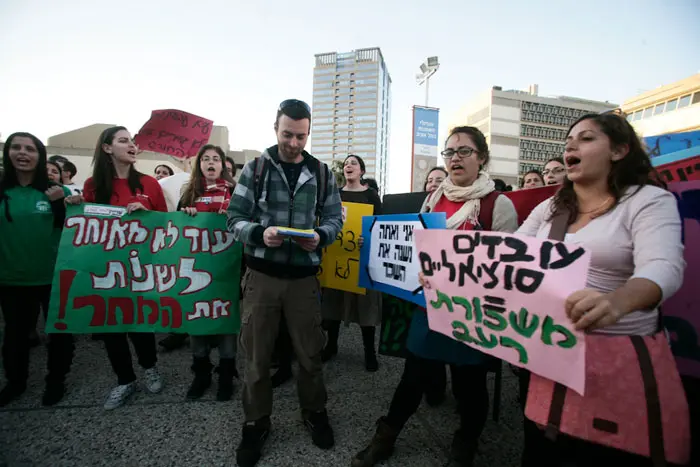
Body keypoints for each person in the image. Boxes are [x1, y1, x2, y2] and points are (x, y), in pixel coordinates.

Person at [517, 113, 685, 466]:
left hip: (619, 364)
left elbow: (664, 267)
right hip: (550, 353)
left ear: (620, 150)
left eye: (587, 138)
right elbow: (509, 258)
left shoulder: (649, 201)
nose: (571, 145)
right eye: (568, 141)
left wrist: (616, 303)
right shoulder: (549, 208)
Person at [351, 126, 518, 467]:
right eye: (450, 152)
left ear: (482, 158)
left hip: (473, 313)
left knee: (469, 385)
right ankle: (386, 437)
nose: (455, 158)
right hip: (430, 307)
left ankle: (465, 445)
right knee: (413, 377)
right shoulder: (434, 197)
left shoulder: (497, 204)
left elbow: (507, 265)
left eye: (464, 151)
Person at [227, 99, 343, 467]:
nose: (294, 143)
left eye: (301, 136)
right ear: (275, 128)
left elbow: (335, 221)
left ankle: (314, 412)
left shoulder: (323, 173)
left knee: (310, 355)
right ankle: (256, 422)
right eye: (287, 134)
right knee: (258, 358)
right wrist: (260, 234)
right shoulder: (255, 169)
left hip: (304, 279)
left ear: (309, 132)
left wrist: (321, 237)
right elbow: (233, 219)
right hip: (261, 277)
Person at [66, 126, 167, 410]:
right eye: (124, 141)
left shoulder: (149, 184)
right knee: (111, 325)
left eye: (133, 141)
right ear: (107, 148)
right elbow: (88, 227)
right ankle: (124, 380)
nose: (132, 145)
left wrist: (147, 215)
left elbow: (164, 223)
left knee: (139, 322)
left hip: (140, 268)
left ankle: (150, 368)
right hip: (105, 268)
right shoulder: (92, 186)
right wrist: (76, 205)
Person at [0, 132, 75, 407]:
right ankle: (15, 383)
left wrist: (61, 205)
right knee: (15, 336)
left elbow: (73, 230)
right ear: (7, 153)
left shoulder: (58, 192)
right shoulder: (2, 190)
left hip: (54, 277)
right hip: (11, 278)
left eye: (29, 148)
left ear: (40, 155)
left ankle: (56, 381)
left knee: (60, 334)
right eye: (16, 147)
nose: (23, 153)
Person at [178, 144, 238, 401]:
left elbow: (248, 223)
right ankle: (201, 374)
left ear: (224, 165)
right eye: (205, 159)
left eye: (216, 159)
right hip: (196, 270)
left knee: (225, 323)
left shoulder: (235, 193)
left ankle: (226, 374)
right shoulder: (189, 193)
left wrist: (233, 217)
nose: (211, 162)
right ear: (199, 164)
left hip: (226, 270)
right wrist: (186, 215)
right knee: (197, 322)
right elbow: (175, 230)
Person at [321, 155, 382, 371]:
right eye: (347, 163)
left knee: (365, 307)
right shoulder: (334, 195)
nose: (349, 165)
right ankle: (331, 345)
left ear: (362, 171)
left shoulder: (371, 196)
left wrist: (369, 237)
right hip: (337, 256)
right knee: (333, 304)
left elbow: (380, 225)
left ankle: (369, 352)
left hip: (363, 257)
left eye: (354, 163)